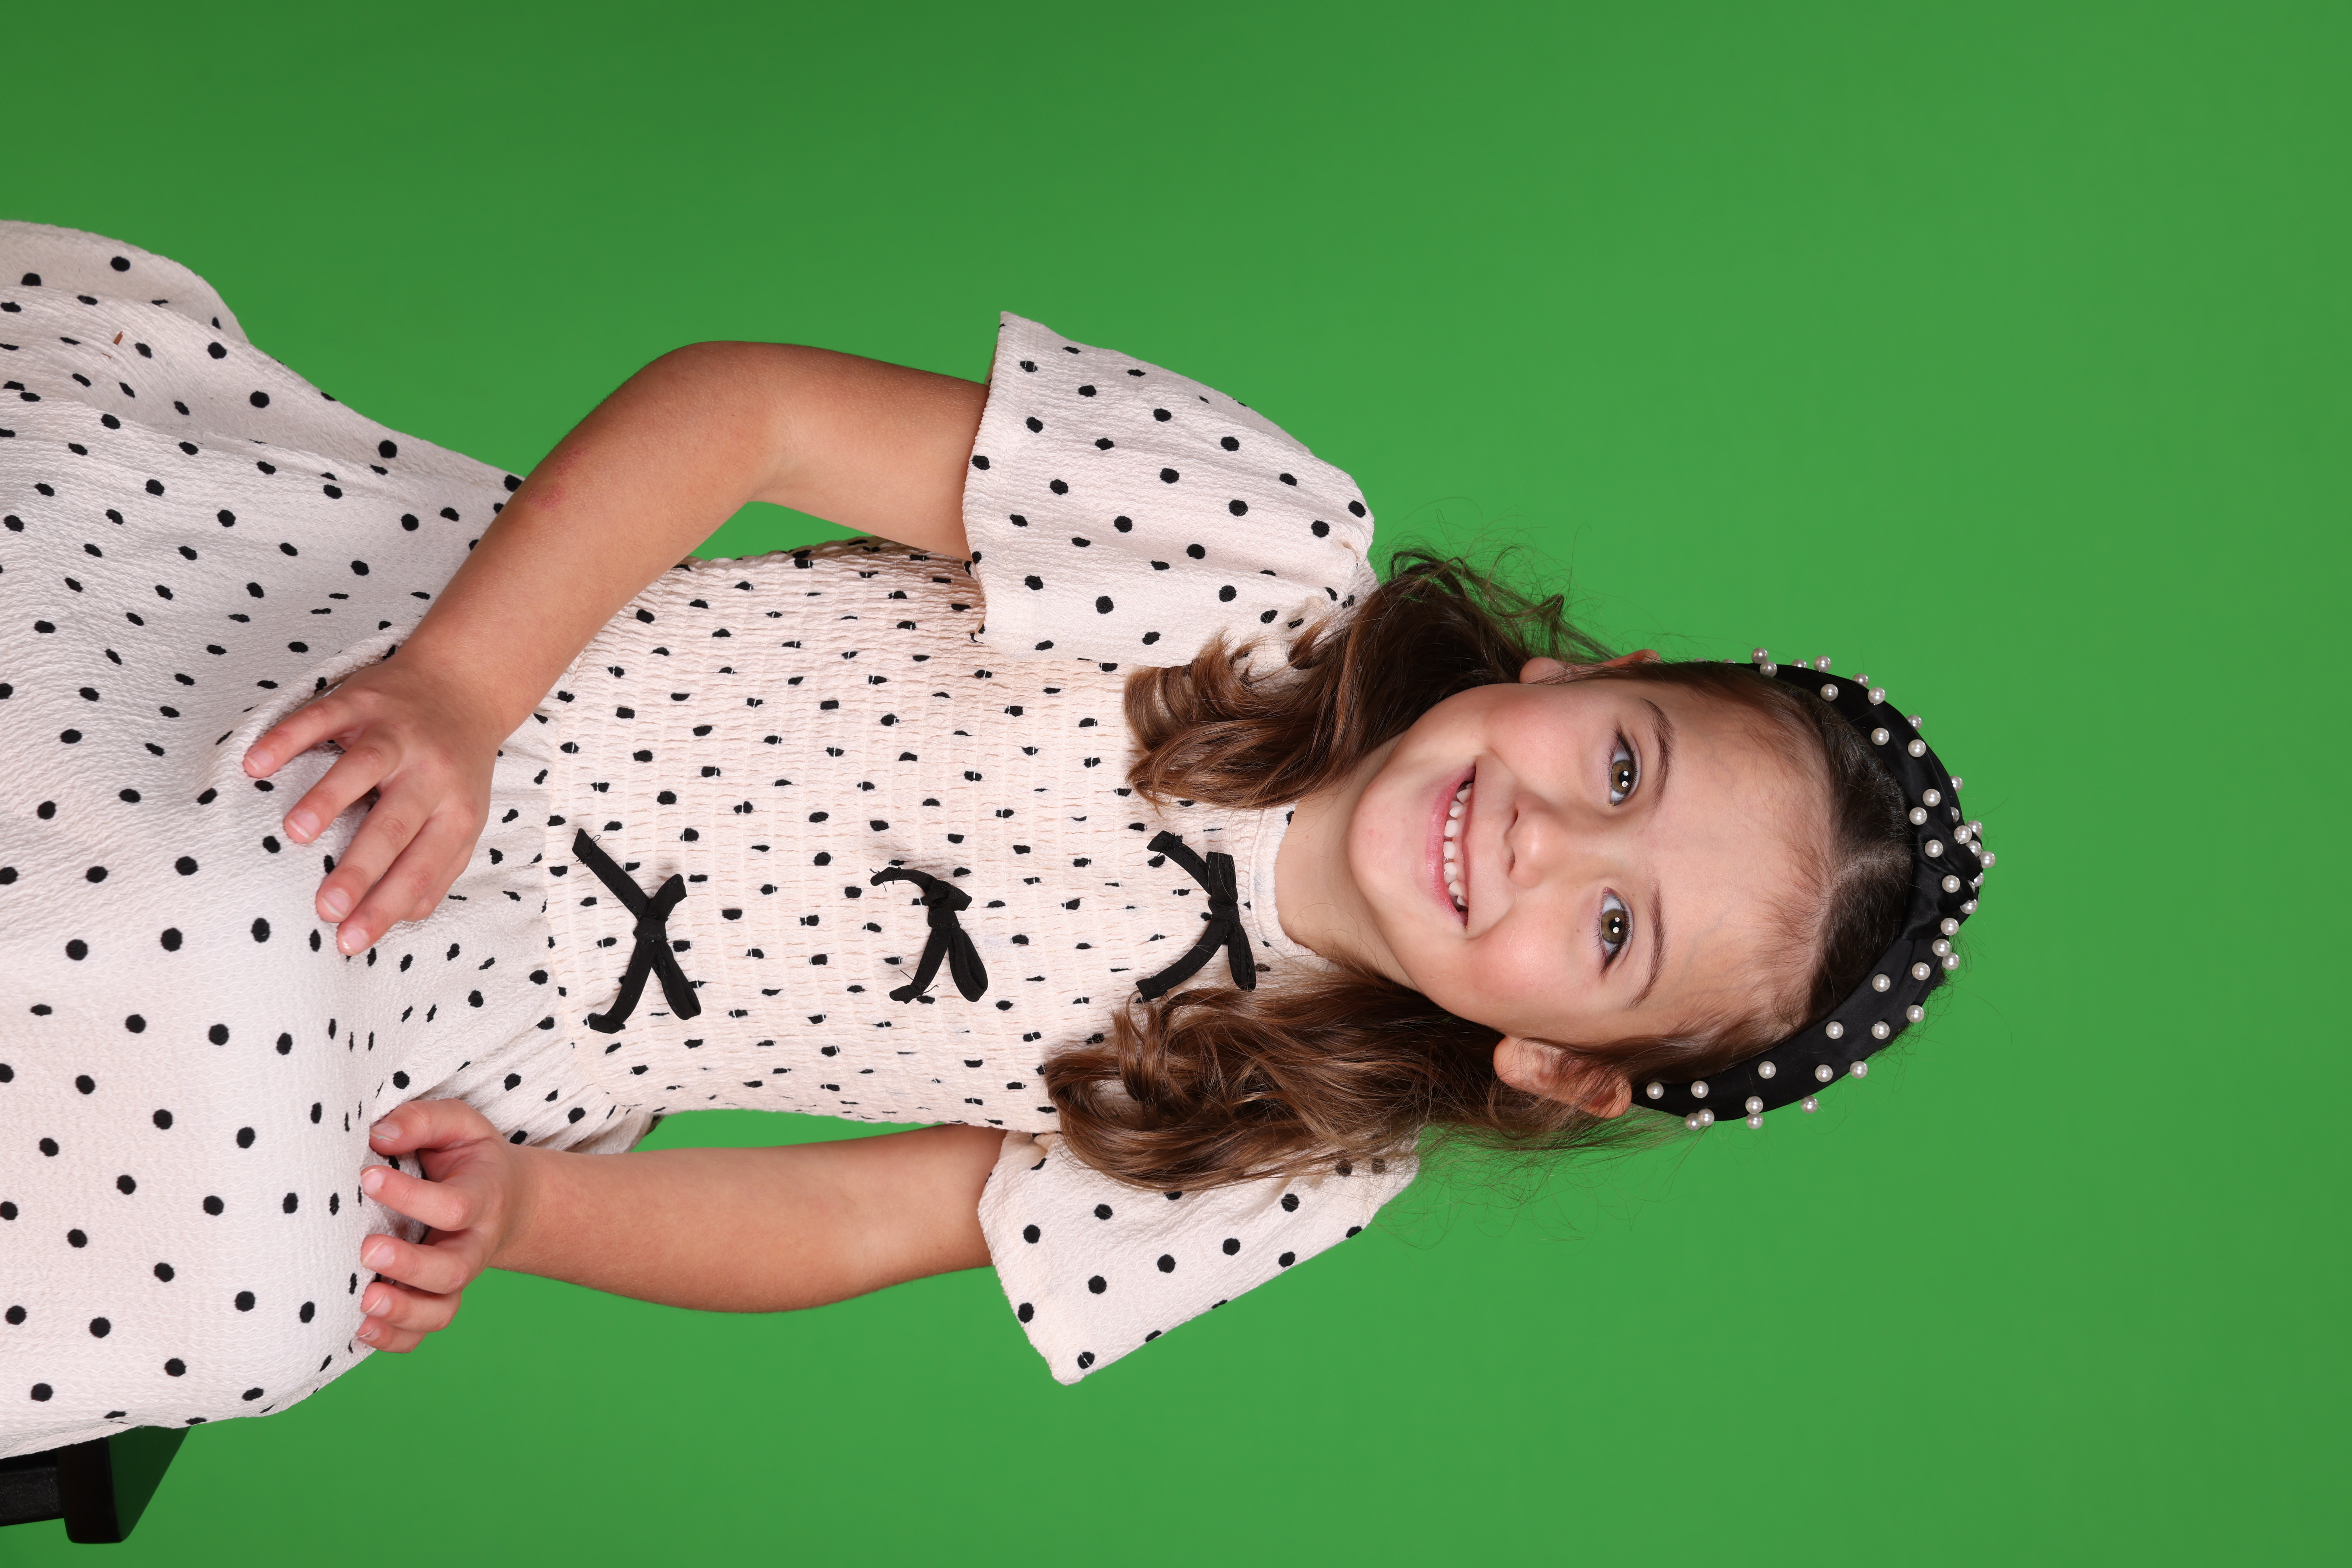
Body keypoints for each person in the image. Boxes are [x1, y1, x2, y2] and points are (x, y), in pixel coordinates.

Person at [0, 222, 1988, 1456]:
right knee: (191, 884)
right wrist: (457, 687)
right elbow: (753, 411)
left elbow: (862, 1222)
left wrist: (528, 1214)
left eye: (1616, 933)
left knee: (254, 1290)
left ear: (1560, 1061)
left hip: (473, 1019)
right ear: (1598, 671)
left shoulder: (1299, 1149)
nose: (1544, 839)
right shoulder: (1259, 552)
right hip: (444, 662)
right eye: (1623, 764)